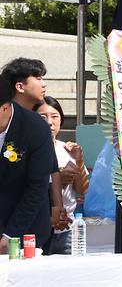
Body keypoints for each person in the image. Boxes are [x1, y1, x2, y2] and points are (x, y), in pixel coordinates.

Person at [1, 58, 68, 235]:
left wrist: (57, 206)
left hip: (31, 222)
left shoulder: (38, 126)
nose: (43, 84)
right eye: (37, 78)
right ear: (20, 86)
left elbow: (51, 169)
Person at [0, 73, 55, 254]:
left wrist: (10, 236)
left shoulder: (35, 129)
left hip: (26, 229)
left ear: (5, 107)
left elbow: (36, 187)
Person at [34, 96, 89, 255]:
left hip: (68, 229)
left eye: (54, 116)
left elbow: (81, 189)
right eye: (42, 117)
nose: (49, 122)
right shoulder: (27, 151)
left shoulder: (67, 149)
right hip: (38, 228)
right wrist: (57, 180)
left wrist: (78, 160)